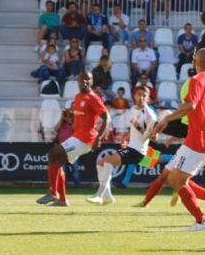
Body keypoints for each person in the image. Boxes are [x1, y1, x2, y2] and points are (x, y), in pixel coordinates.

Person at [151, 48, 205, 231]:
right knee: (176, 178)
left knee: (177, 181)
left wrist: (167, 119)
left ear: (194, 62)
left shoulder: (196, 80)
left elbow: (189, 106)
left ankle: (201, 221)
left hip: (197, 140)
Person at [37, 70, 110, 207]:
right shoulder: (77, 97)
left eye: (88, 79)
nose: (85, 82)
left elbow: (107, 118)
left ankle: (53, 193)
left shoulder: (93, 98)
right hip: (76, 137)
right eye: (82, 79)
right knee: (57, 162)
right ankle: (62, 200)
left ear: (92, 81)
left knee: (53, 154)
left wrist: (98, 138)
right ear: (78, 81)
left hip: (85, 139)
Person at [86, 84, 158, 205]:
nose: (141, 97)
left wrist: (139, 127)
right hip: (131, 148)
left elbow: (155, 137)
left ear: (148, 98)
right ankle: (107, 195)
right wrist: (125, 137)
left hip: (138, 151)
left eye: (144, 95)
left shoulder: (150, 115)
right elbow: (133, 129)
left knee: (107, 161)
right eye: (139, 94)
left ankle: (100, 194)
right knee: (101, 163)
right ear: (134, 96)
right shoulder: (133, 109)